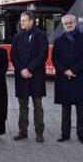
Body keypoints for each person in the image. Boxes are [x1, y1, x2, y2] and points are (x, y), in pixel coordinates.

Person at [51, 14, 83, 144]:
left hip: (80, 78)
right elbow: (55, 58)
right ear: (63, 25)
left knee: (80, 109)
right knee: (66, 109)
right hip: (64, 79)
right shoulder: (58, 40)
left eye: (71, 23)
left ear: (76, 23)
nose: (69, 25)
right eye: (66, 23)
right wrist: (65, 71)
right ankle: (65, 134)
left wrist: (73, 70)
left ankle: (82, 135)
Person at [10, 11, 49, 143]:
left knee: (37, 105)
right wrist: (22, 70)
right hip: (21, 76)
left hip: (36, 75)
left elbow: (43, 55)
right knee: (22, 105)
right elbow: (13, 56)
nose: (22, 23)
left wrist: (30, 69)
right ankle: (23, 131)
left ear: (31, 21)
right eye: (21, 21)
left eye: (24, 21)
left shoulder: (41, 36)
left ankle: (39, 132)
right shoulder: (17, 37)